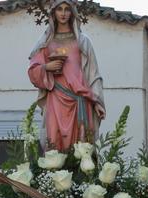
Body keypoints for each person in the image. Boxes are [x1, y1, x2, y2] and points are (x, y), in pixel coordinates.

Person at [27, 1, 105, 152]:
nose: (63, 13)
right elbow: (32, 70)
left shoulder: (83, 41)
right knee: (54, 143)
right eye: (59, 9)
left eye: (67, 9)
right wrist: (46, 67)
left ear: (72, 12)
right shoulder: (46, 42)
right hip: (56, 97)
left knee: (82, 150)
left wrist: (98, 100)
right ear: (53, 13)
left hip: (80, 100)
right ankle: (53, 175)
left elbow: (93, 73)